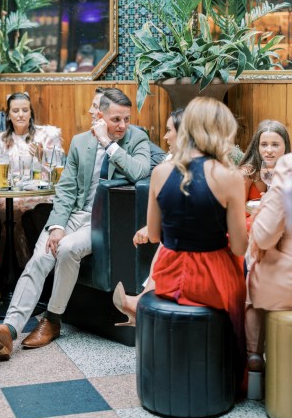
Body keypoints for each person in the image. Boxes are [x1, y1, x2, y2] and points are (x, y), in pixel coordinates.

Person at [0, 88, 151, 359]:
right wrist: (57, 225)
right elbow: (67, 190)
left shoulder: (136, 138)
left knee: (68, 249)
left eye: (126, 119)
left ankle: (53, 320)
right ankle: (8, 331)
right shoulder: (81, 142)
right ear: (100, 116)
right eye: (116, 119)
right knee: (41, 255)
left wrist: (109, 143)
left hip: (107, 220)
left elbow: (140, 171)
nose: (122, 125)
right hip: (77, 215)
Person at [148, 97, 248, 382]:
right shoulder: (229, 177)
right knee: (242, 276)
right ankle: (241, 365)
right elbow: (239, 246)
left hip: (167, 273)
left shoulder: (160, 172)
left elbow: (154, 235)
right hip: (212, 278)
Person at [113, 107, 184, 326]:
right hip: (176, 224)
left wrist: (153, 227)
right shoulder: (170, 159)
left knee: (169, 238)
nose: (164, 136)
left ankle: (142, 302)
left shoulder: (192, 166)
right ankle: (143, 300)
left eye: (169, 130)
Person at [0, 92, 63, 267]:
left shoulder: (46, 135)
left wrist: (43, 157)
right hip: (8, 196)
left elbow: (57, 175)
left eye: (25, 110)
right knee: (5, 212)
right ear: (8, 114)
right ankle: (8, 271)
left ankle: (36, 266)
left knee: (30, 210)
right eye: (15, 110)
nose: (20, 114)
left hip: (39, 194)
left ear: (31, 113)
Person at [245, 152, 292, 388]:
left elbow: (264, 237)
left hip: (287, 284)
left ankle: (254, 356)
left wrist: (262, 211)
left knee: (255, 265)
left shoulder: (288, 169)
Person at [239, 120, 290, 202]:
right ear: (257, 146)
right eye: (264, 144)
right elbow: (237, 211)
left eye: (275, 144)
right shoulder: (247, 173)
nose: (269, 150)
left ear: (285, 145)